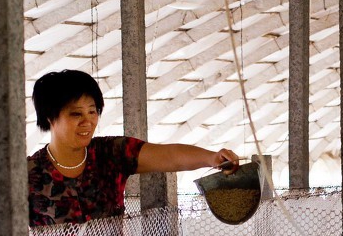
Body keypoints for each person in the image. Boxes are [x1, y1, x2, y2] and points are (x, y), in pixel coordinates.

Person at [27, 69, 240, 227]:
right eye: (76, 114)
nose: (88, 121)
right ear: (50, 118)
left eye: (92, 112)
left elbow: (168, 155)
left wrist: (212, 158)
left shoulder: (111, 153)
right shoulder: (28, 173)